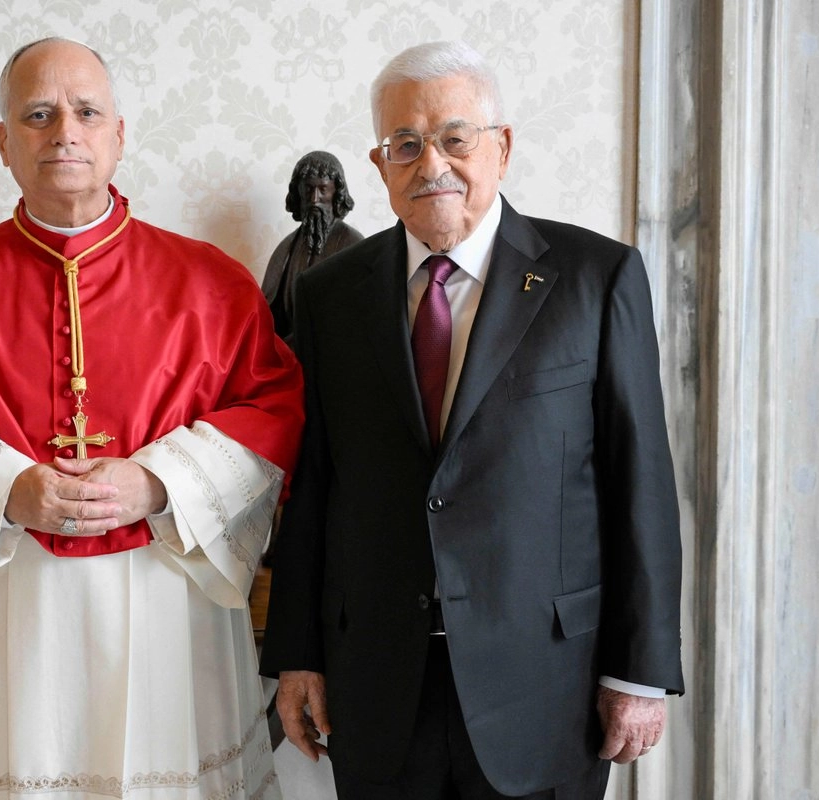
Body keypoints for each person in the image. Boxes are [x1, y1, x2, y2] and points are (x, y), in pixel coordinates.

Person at [0, 37, 303, 800]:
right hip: (11, 593)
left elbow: (274, 410)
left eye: (87, 111)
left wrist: (158, 481)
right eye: (38, 114)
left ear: (118, 134)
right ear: (3, 142)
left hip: (169, 586)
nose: (65, 131)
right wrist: (6, 490)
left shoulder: (212, 285)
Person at [260, 40, 683, 800]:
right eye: (405, 144)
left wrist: (641, 671)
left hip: (546, 686)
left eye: (455, 138)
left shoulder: (597, 277)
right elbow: (314, 483)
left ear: (502, 147)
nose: (432, 165)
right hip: (379, 683)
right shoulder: (332, 294)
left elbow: (640, 483)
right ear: (380, 162)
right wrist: (297, 654)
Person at [261, 151, 363, 343]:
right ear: (299, 193)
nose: (315, 199)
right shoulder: (286, 248)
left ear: (337, 193)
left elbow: (357, 315)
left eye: (323, 190)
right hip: (289, 355)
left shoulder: (353, 245)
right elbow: (268, 312)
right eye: (308, 190)